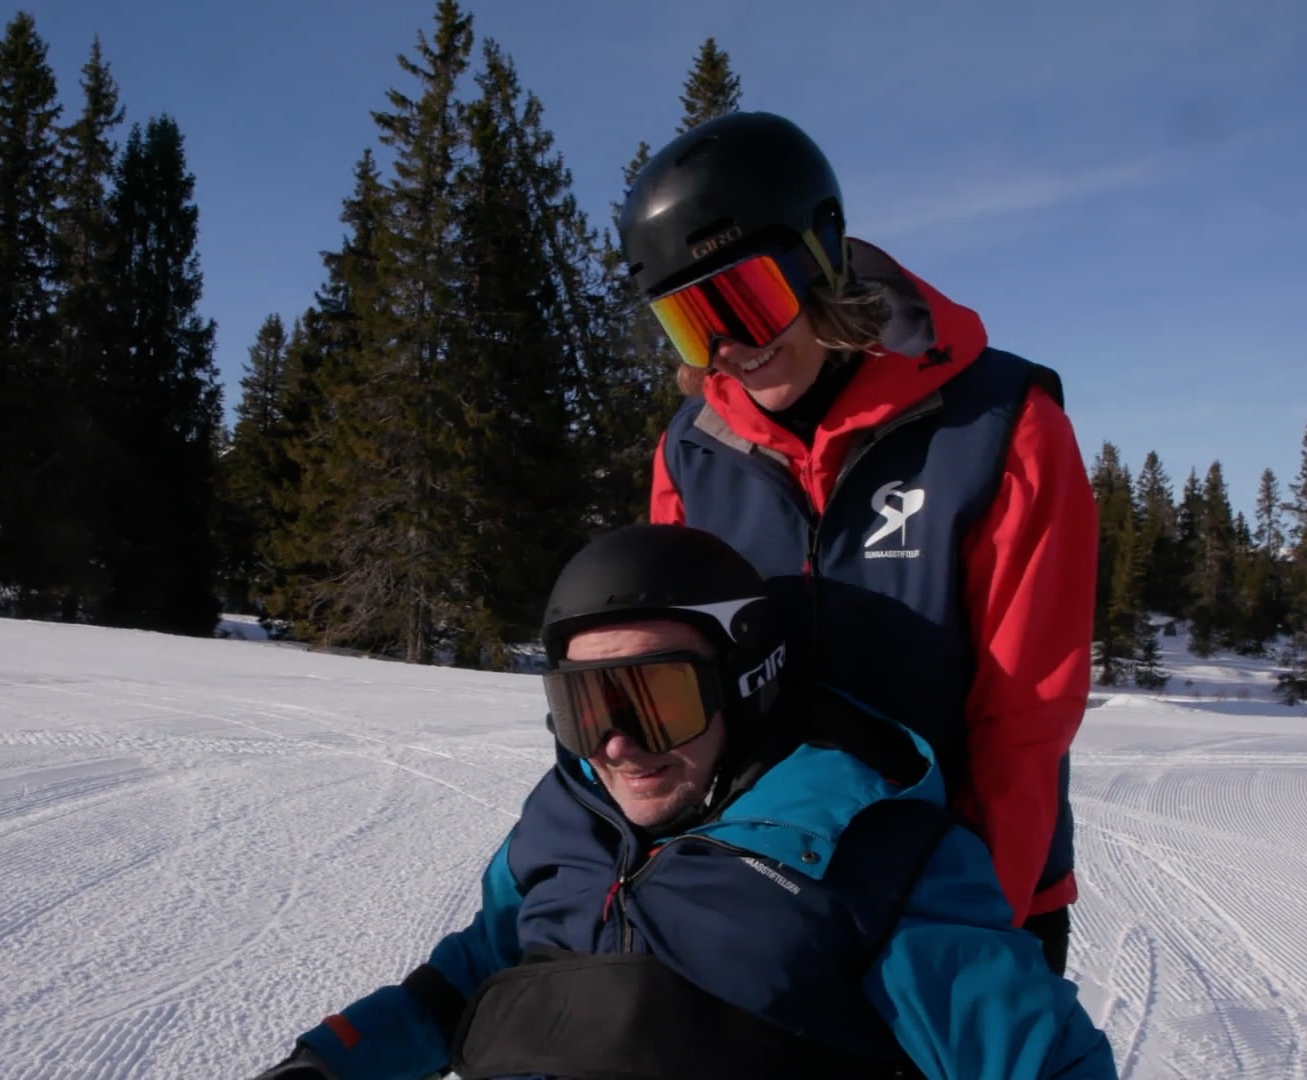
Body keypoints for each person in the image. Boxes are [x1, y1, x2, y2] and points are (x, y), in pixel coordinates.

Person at [251, 524, 1113, 1080]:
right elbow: (469, 979)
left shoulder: (874, 856)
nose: (618, 746)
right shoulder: (563, 822)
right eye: (585, 709)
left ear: (749, 680)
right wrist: (330, 1062)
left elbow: (1040, 1065)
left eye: (653, 701)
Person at [618, 111, 1098, 975]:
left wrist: (972, 924)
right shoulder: (690, 456)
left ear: (821, 254)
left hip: (972, 891)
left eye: (747, 299)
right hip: (777, 889)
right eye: (693, 324)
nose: (733, 348)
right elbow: (682, 692)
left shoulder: (999, 425)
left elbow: (1026, 715)